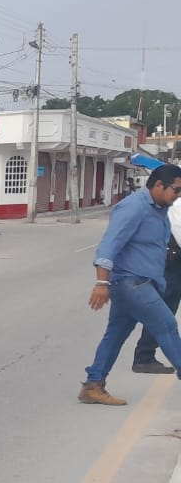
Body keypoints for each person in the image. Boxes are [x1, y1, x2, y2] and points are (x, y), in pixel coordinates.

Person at [80, 164, 181, 405]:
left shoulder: (158, 209)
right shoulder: (134, 207)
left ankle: (93, 385)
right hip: (131, 283)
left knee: (115, 334)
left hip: (140, 283)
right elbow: (109, 244)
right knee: (166, 326)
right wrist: (101, 282)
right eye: (175, 190)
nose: (178, 196)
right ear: (158, 185)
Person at [131, 195, 181, 374]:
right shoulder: (177, 203)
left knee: (167, 309)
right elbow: (178, 230)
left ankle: (145, 355)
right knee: (164, 309)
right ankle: (144, 356)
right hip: (172, 262)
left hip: (172, 261)